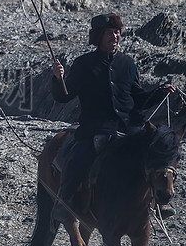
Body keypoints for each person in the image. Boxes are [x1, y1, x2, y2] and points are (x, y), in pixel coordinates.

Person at [51, 13, 176, 225]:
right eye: (110, 33)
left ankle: (160, 201)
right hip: (97, 129)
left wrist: (160, 92)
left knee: (157, 152)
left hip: (130, 128)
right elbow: (64, 96)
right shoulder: (83, 64)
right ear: (99, 36)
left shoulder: (127, 64)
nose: (115, 36)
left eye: (118, 32)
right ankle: (64, 202)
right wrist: (57, 78)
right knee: (79, 158)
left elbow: (139, 99)